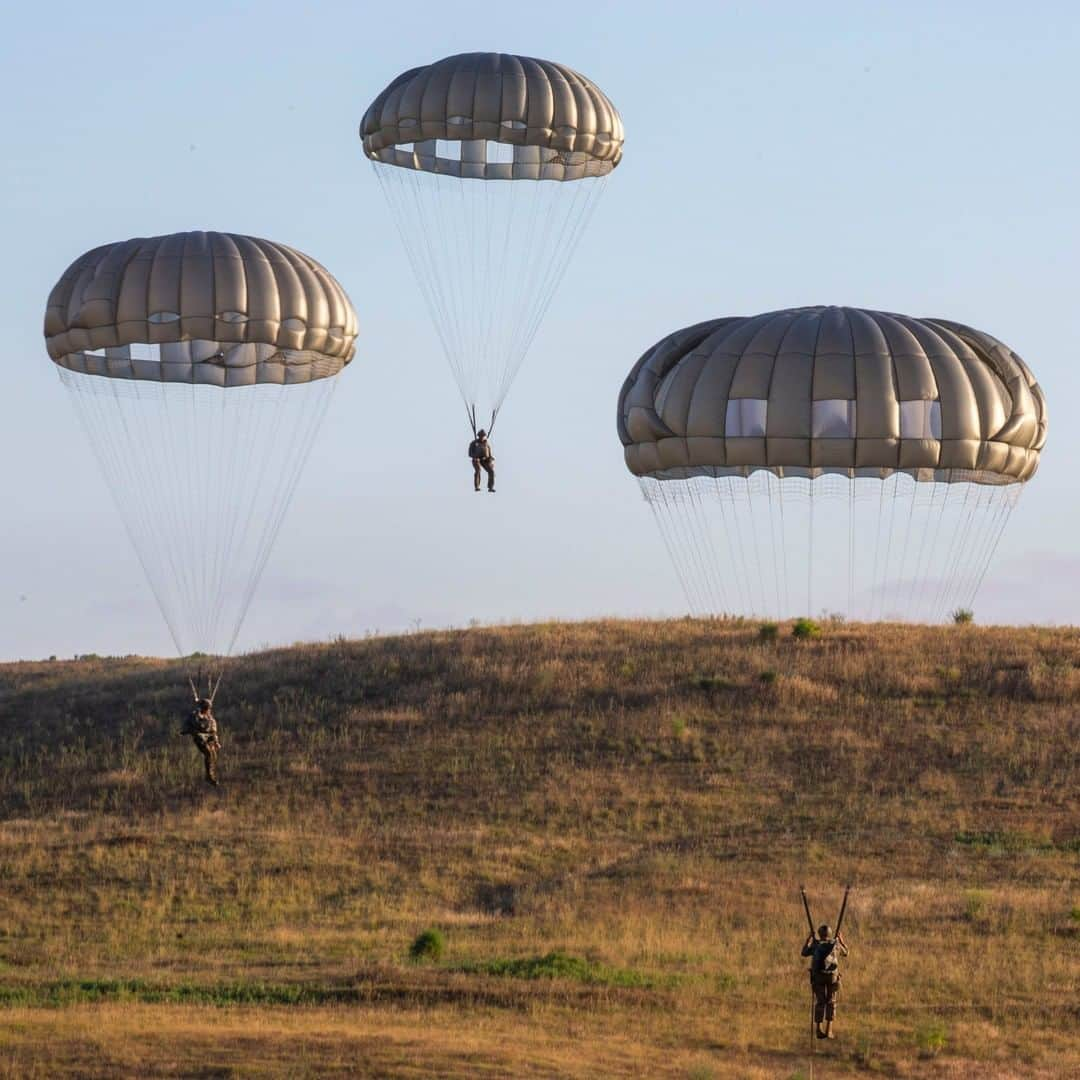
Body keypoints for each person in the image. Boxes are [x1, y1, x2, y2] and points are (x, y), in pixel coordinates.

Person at [802, 923, 848, 1039]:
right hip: (832, 977)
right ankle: (829, 1030)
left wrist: (809, 940)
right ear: (830, 934)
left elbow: (804, 952)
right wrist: (841, 941)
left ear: (819, 934)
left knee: (820, 1002)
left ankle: (818, 1029)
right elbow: (846, 952)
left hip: (818, 977)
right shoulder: (835, 944)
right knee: (831, 1001)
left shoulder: (816, 945)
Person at [182, 697, 221, 786]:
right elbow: (188, 726)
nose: (207, 710)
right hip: (199, 738)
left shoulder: (210, 718)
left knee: (213, 755)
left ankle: (211, 774)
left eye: (208, 708)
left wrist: (216, 742)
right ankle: (209, 776)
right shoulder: (194, 716)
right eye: (206, 708)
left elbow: (213, 731)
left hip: (208, 738)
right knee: (208, 753)